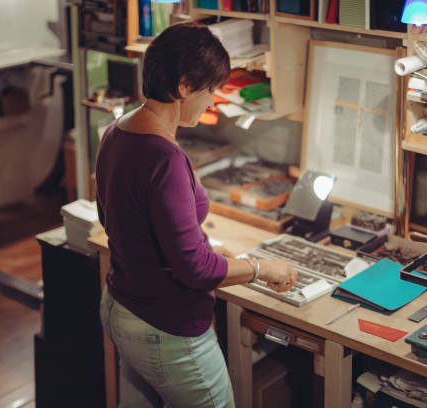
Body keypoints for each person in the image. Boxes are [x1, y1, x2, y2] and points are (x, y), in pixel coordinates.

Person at [96, 23, 298, 408]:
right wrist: (260, 268)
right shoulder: (163, 157)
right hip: (164, 324)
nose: (213, 101)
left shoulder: (117, 131)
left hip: (121, 306)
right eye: (211, 90)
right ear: (186, 86)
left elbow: (114, 219)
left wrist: (195, 245)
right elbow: (197, 271)